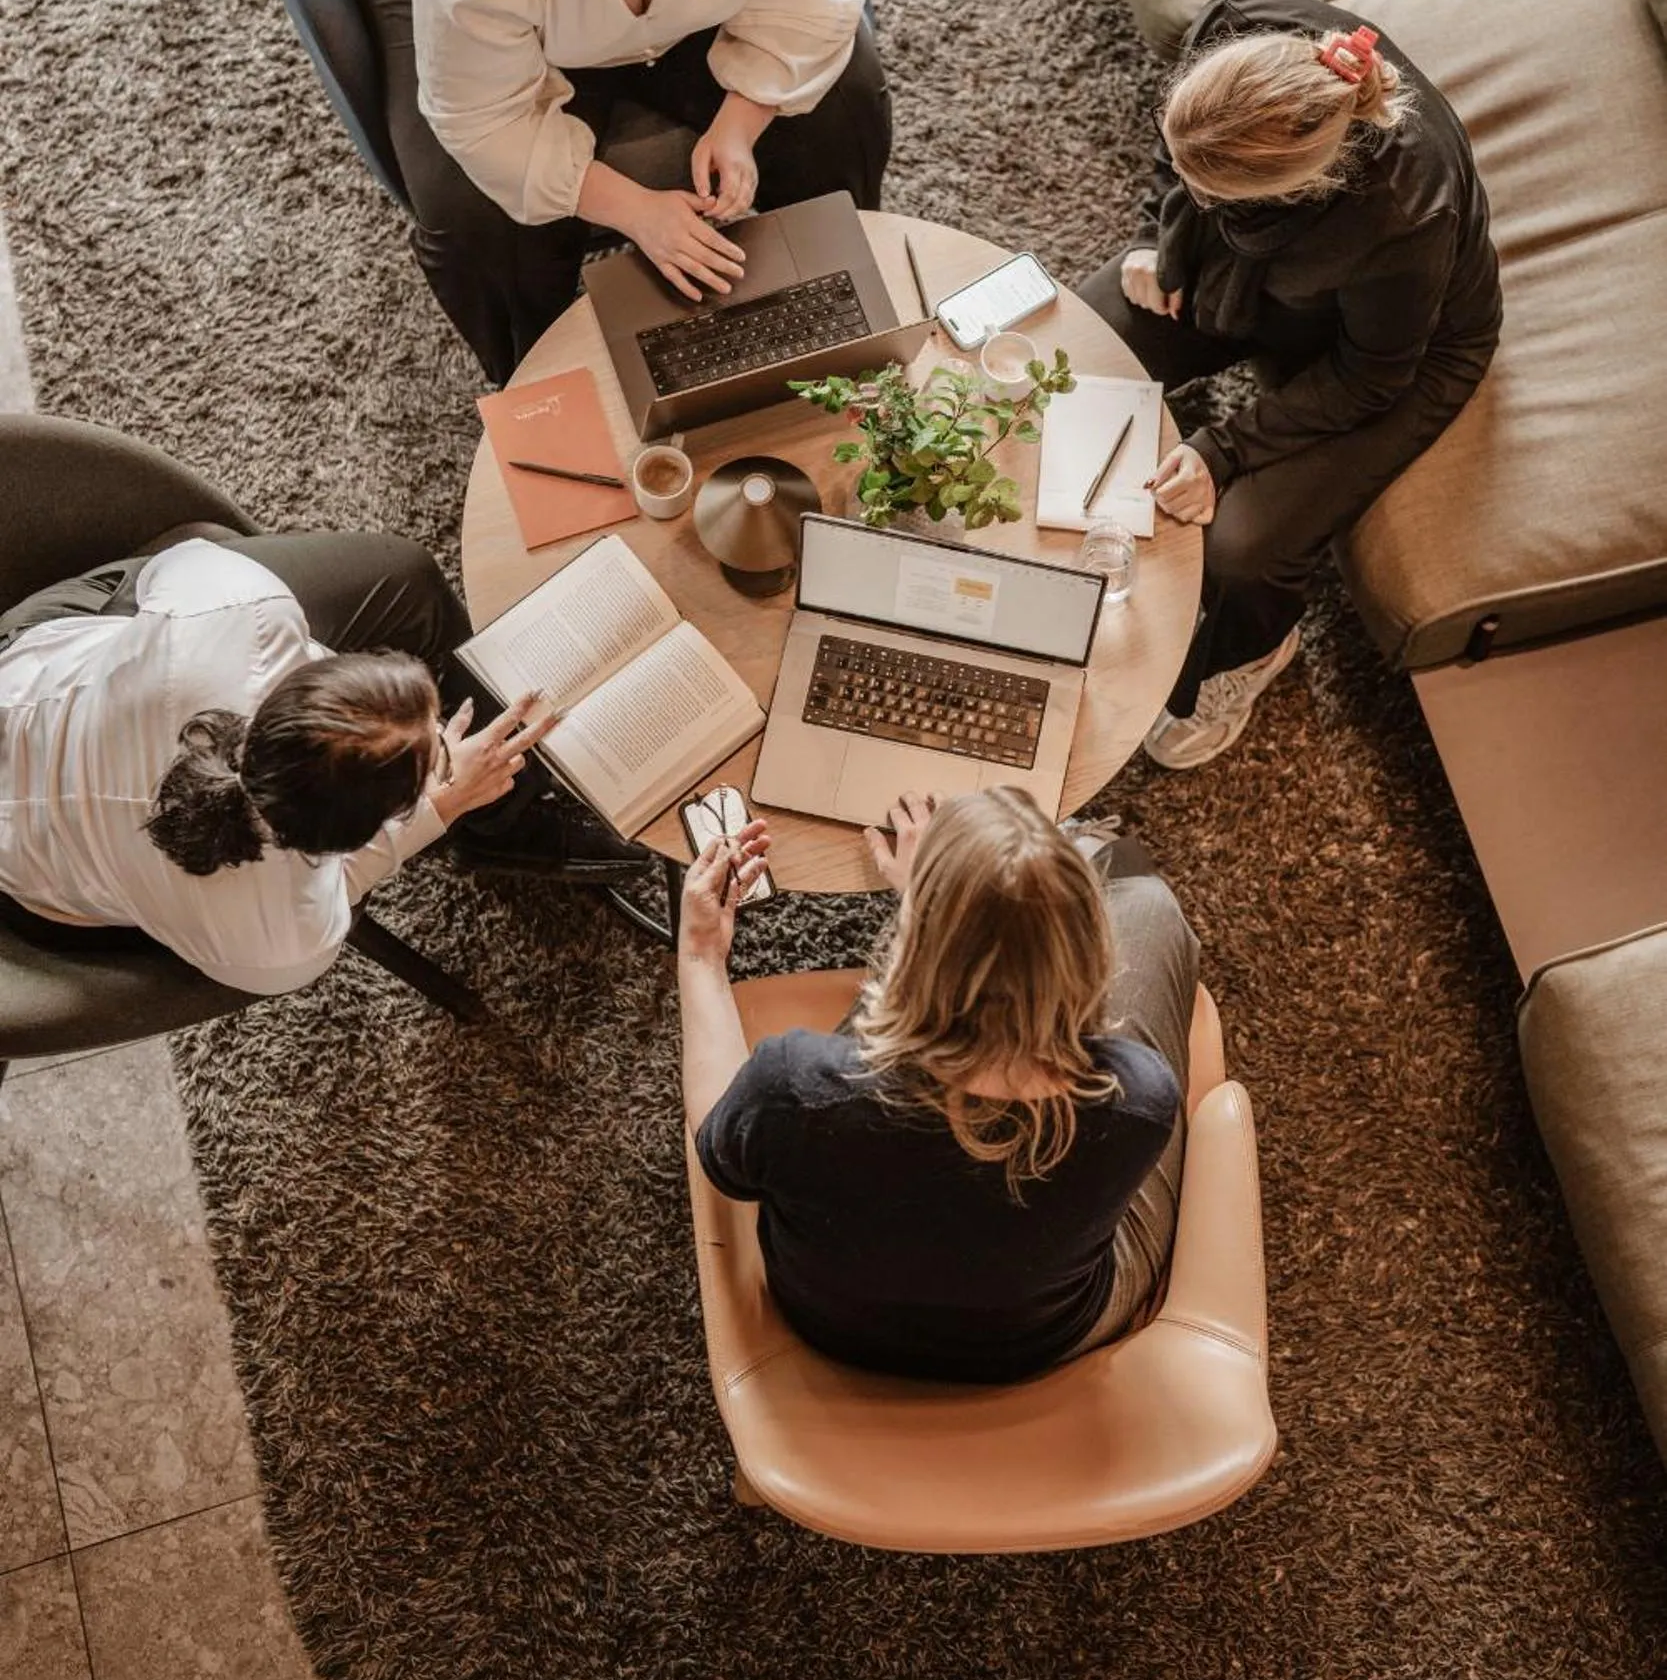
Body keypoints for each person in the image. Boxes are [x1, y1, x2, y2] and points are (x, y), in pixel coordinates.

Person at [348, 0, 892, 384]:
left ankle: (839, 291)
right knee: (471, 219)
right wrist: (636, 210)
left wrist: (741, 122)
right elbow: (484, 119)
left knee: (846, 104)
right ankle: (537, 377)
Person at [1081, 0, 1502, 770]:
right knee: (1082, 342)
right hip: (1251, 260)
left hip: (1394, 351)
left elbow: (1370, 374)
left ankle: (1251, 654)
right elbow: (1182, 160)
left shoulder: (1407, 213)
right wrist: (1152, 232)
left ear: (1293, 187)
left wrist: (1226, 448)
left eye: (1202, 184)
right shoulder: (1241, 20)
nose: (1185, 188)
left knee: (1242, 551)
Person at [681, 788, 1198, 1385]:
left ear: (912, 951)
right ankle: (1086, 852)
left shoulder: (799, 1085)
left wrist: (699, 954)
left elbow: (718, 1152)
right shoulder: (1134, 1097)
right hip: (1041, 1339)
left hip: (834, 1327)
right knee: (1149, 904)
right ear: (1093, 960)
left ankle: (984, 910)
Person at [0, 527, 648, 994]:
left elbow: (178, 563)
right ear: (353, 836)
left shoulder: (238, 615)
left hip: (28, 699)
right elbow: (335, 887)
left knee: (404, 575)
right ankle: (506, 825)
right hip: (34, 883)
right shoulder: (281, 936)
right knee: (222, 538)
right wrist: (444, 805)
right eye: (434, 756)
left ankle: (505, 823)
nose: (445, 744)